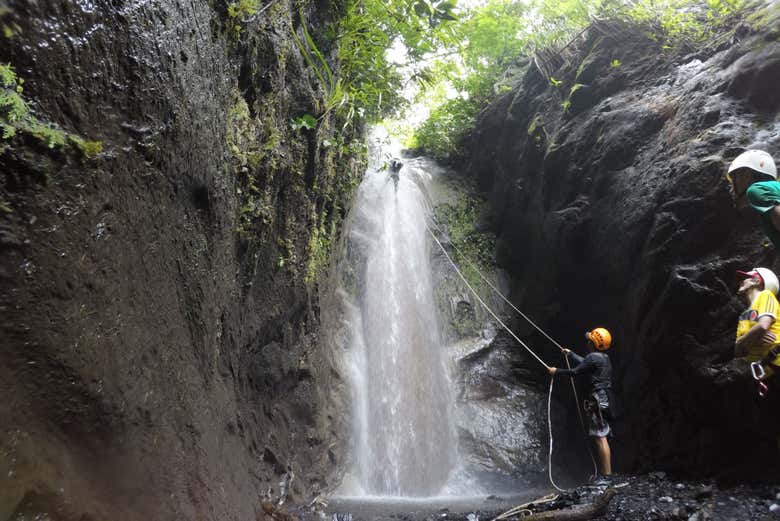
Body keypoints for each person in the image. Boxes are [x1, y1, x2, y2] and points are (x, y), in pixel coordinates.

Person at [548, 327, 613, 484]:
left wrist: (556, 371)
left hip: (598, 401)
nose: (587, 342)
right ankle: (605, 475)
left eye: (589, 340)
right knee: (601, 436)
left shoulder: (593, 357)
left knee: (600, 438)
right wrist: (570, 354)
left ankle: (606, 477)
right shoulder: (602, 357)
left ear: (592, 343)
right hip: (604, 399)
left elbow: (575, 372)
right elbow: (585, 363)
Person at [734, 267, 780, 389]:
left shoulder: (766, 295)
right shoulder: (744, 315)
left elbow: (764, 325)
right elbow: (738, 352)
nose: (741, 281)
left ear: (757, 281)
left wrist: (745, 340)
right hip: (762, 374)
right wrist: (753, 336)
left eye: (745, 278)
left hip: (777, 363)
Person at [726, 149, 779, 247]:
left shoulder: (756, 190)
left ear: (746, 174)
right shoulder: (771, 191)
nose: (731, 190)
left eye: (733, 181)